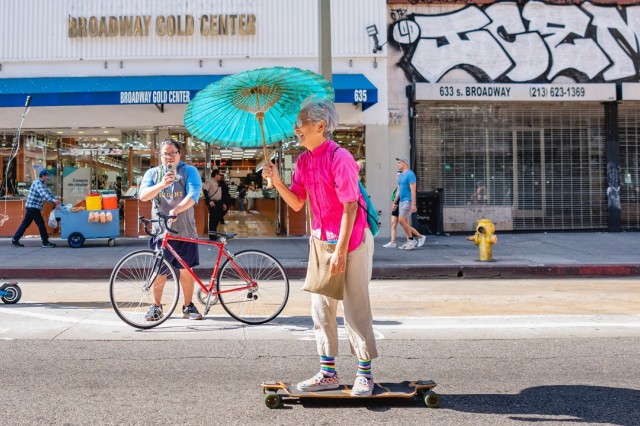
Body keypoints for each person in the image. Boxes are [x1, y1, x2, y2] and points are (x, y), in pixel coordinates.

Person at [263, 96, 378, 397]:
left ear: (320, 125)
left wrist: (340, 250)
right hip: (321, 240)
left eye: (300, 124)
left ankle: (364, 375)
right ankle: (328, 373)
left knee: (355, 307)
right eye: (296, 125)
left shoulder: (339, 158)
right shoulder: (303, 161)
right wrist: (276, 182)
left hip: (351, 240)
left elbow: (350, 207)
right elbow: (298, 203)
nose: (296, 129)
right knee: (321, 308)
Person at [139, 139, 203, 321]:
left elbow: (193, 195)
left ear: (179, 154)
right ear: (160, 156)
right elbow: (143, 196)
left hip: (185, 231)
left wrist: (177, 210)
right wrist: (162, 185)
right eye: (165, 154)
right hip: (162, 231)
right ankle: (156, 307)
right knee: (159, 271)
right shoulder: (153, 173)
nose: (169, 157)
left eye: (172, 153)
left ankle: (188, 306)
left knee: (186, 269)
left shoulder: (189, 171)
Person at [11, 169, 61, 248]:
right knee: (41, 224)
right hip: (33, 207)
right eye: (47, 176)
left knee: (25, 224)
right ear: (43, 176)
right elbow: (43, 194)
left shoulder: (42, 183)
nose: (48, 178)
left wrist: (54, 200)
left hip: (32, 207)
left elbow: (48, 193)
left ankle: (15, 239)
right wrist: (54, 200)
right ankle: (45, 242)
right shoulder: (38, 183)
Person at [383, 180, 426, 249]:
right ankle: (393, 242)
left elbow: (399, 194)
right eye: (397, 175)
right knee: (393, 224)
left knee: (404, 224)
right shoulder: (399, 185)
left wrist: (394, 203)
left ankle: (416, 238)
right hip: (397, 205)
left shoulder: (403, 185)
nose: (397, 177)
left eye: (399, 175)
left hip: (402, 205)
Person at [392, 157, 420, 250]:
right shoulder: (400, 176)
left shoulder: (410, 174)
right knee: (404, 222)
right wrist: (395, 203)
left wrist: (413, 204)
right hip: (401, 201)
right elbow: (399, 191)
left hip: (408, 201)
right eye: (398, 163)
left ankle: (412, 240)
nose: (398, 164)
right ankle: (409, 241)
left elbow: (413, 190)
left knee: (401, 220)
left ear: (405, 163)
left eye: (399, 162)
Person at [203, 169, 225, 238]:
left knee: (217, 218)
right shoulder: (210, 181)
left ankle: (214, 233)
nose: (220, 176)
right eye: (219, 175)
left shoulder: (218, 183)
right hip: (213, 203)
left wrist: (223, 203)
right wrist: (209, 201)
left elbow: (219, 194)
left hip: (219, 202)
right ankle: (212, 235)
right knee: (213, 219)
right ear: (216, 175)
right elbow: (205, 191)